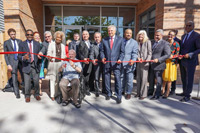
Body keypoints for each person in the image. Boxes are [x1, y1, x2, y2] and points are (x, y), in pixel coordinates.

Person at [100, 25, 125, 104]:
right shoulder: (104, 40)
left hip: (116, 64)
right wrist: (102, 57)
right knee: (107, 79)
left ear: (115, 31)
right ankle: (109, 93)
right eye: (109, 31)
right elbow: (102, 51)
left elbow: (122, 52)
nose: (110, 32)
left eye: (111, 30)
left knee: (117, 80)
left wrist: (120, 59)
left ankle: (118, 96)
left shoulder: (120, 39)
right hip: (107, 63)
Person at [177, 21, 200, 102]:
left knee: (189, 79)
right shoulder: (183, 36)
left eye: (189, 25)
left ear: (193, 26)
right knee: (183, 78)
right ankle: (184, 92)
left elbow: (199, 49)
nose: (187, 27)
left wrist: (190, 54)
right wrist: (179, 55)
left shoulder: (196, 36)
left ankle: (187, 95)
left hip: (191, 61)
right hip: (183, 61)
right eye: (186, 25)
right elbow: (182, 48)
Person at [18, 29, 42, 102]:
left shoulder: (37, 44)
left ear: (33, 36)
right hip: (26, 65)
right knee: (27, 82)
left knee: (36, 81)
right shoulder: (22, 44)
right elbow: (19, 55)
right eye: (28, 35)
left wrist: (39, 63)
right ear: (26, 35)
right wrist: (23, 57)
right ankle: (27, 95)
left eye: (31, 35)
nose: (29, 36)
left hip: (35, 65)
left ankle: (37, 94)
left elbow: (39, 54)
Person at [148, 29, 171, 100]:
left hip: (159, 65)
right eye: (155, 35)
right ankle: (150, 91)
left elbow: (168, 54)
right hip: (151, 64)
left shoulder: (165, 43)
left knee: (158, 81)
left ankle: (157, 94)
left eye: (158, 35)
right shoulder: (152, 42)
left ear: (162, 35)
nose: (156, 36)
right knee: (151, 79)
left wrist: (159, 59)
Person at [45, 31, 66, 101]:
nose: (58, 39)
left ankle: (56, 93)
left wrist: (66, 58)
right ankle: (52, 95)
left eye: (60, 38)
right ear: (55, 37)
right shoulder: (51, 44)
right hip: (53, 64)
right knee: (52, 79)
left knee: (58, 80)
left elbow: (64, 55)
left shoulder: (63, 46)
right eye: (57, 37)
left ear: (61, 38)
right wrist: (49, 57)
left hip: (60, 64)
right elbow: (48, 53)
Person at [3, 28, 22, 99]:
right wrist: (8, 64)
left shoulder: (19, 41)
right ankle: (17, 93)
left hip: (20, 61)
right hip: (12, 62)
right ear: (9, 35)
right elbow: (5, 55)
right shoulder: (6, 42)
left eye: (14, 34)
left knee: (23, 75)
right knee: (14, 76)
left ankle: (24, 89)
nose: (13, 35)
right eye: (11, 34)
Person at [161, 30, 180, 98]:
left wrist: (173, 56)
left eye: (172, 35)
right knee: (164, 78)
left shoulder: (176, 44)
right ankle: (162, 90)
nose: (170, 36)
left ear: (174, 36)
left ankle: (167, 92)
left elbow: (177, 54)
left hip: (172, 63)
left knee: (169, 79)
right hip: (165, 62)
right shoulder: (165, 42)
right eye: (169, 34)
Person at [121, 29, 138, 100]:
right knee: (122, 78)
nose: (128, 34)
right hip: (121, 63)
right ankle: (122, 90)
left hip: (130, 64)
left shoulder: (134, 42)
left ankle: (128, 93)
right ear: (124, 33)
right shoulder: (121, 41)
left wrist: (133, 60)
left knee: (129, 80)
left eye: (130, 33)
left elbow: (135, 53)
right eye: (127, 33)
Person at [136, 30, 152, 100]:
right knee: (138, 78)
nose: (140, 36)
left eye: (142, 34)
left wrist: (146, 60)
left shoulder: (148, 42)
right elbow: (136, 52)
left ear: (144, 35)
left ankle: (143, 94)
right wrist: (138, 58)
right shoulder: (137, 43)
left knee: (144, 79)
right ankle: (138, 93)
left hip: (145, 63)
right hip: (139, 62)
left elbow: (150, 53)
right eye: (139, 34)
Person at [78, 30, 93, 95]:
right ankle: (85, 90)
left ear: (88, 35)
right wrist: (83, 59)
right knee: (85, 77)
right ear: (82, 36)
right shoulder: (81, 43)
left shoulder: (91, 43)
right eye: (84, 34)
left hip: (91, 62)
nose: (85, 35)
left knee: (90, 76)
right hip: (84, 63)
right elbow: (79, 53)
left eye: (86, 34)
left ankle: (90, 88)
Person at [89, 32, 104, 97]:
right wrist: (92, 59)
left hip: (104, 63)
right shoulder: (93, 45)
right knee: (97, 77)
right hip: (96, 64)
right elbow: (91, 54)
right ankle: (97, 90)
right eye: (95, 37)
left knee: (105, 77)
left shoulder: (104, 44)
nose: (97, 38)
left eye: (98, 37)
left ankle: (104, 89)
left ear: (100, 37)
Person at [170, 29, 182, 95]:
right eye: (170, 33)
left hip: (174, 61)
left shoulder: (178, 41)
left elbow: (179, 51)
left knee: (173, 76)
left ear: (175, 34)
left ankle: (173, 89)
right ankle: (166, 89)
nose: (170, 35)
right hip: (167, 61)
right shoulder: (167, 40)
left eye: (172, 34)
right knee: (167, 75)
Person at [33, 32, 43, 96]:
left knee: (40, 77)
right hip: (33, 62)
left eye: (38, 36)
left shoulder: (41, 44)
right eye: (35, 36)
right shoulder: (32, 44)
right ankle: (35, 89)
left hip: (41, 62)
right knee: (34, 77)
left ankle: (40, 89)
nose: (37, 37)